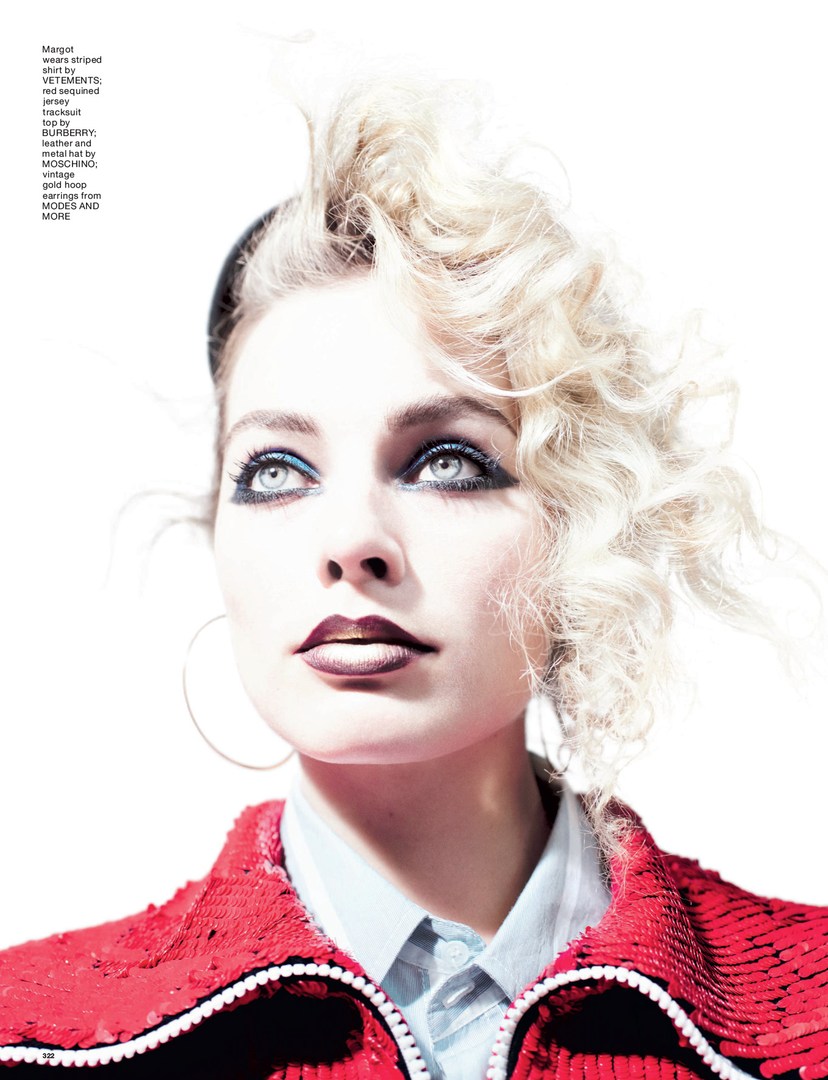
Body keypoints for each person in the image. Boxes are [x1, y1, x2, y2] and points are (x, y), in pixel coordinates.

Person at [1, 80, 826, 1080]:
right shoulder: (28, 1035)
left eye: (447, 461)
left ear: (578, 526)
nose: (353, 543)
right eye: (276, 471)